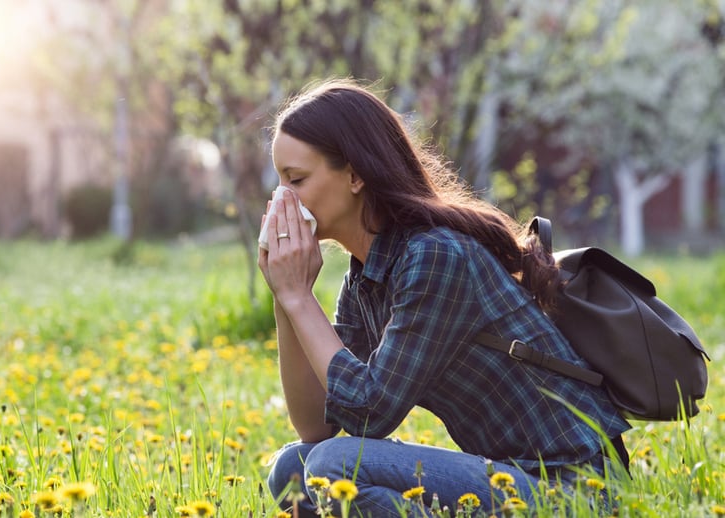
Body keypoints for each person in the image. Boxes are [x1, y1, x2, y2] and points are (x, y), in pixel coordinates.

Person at [258, 79, 631, 517]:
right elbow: (315, 425)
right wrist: (285, 299)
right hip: (505, 477)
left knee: (332, 467)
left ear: (356, 175)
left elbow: (369, 416)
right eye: (279, 181)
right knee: (294, 469)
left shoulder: (434, 255)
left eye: (296, 179)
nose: (282, 198)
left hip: (575, 490)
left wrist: (300, 298)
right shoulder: (365, 278)